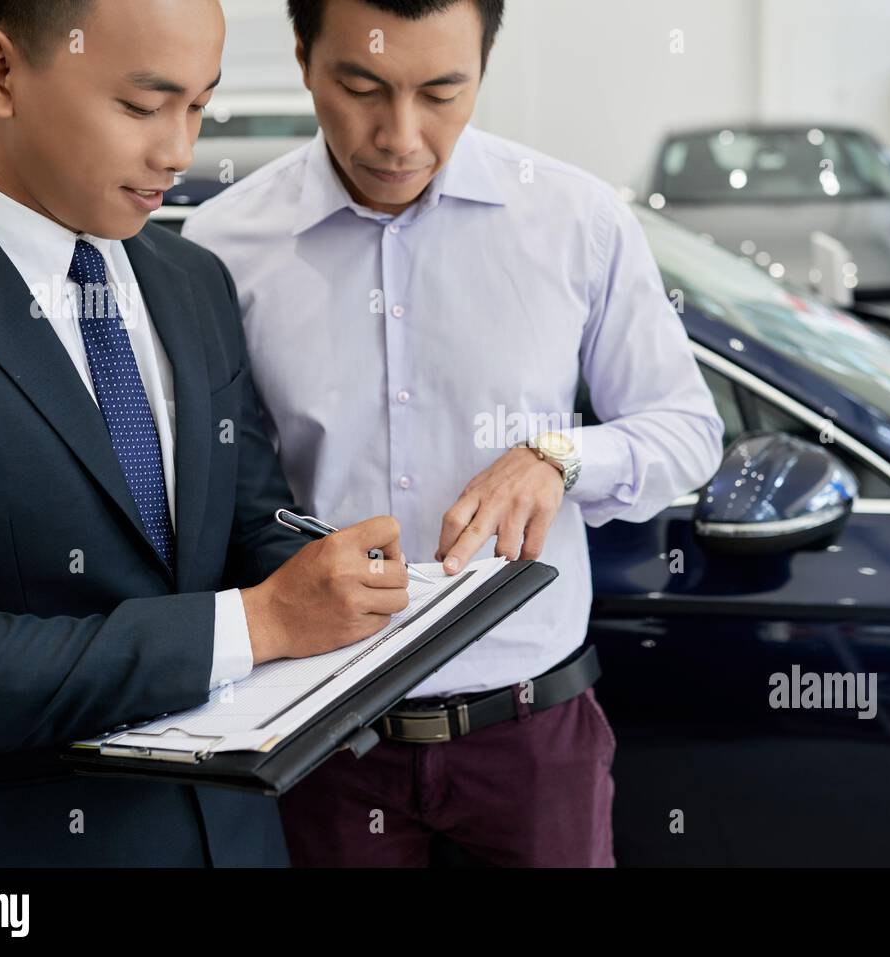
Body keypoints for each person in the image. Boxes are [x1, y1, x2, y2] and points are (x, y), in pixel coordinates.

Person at [184, 0, 725, 867]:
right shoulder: (223, 247)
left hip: (531, 739)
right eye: (361, 86)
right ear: (301, 55)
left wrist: (561, 455)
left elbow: (689, 431)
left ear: (485, 62)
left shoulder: (574, 222)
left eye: (442, 91)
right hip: (318, 743)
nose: (400, 136)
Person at [0, 0, 410, 866]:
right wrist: (257, 624)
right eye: (141, 106)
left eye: (199, 105)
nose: (178, 151)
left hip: (234, 839)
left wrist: (358, 591)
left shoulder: (191, 279)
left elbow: (248, 526)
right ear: (0, 73)